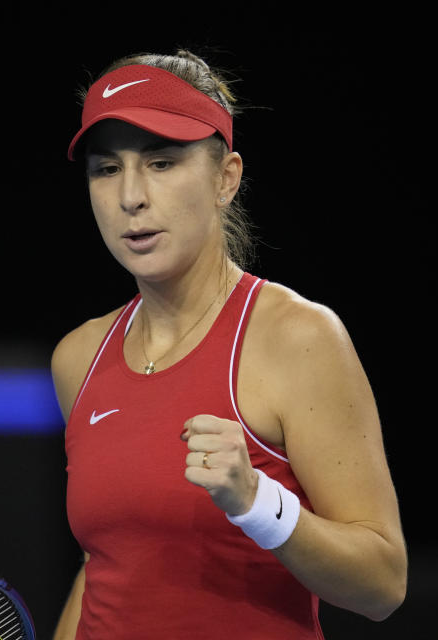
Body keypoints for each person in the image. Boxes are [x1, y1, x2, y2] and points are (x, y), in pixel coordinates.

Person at [50, 50, 407, 639]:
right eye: (106, 168)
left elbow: (383, 586)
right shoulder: (77, 357)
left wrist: (257, 502)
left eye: (162, 163)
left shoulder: (300, 337)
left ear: (226, 178)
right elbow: (108, 566)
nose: (131, 196)